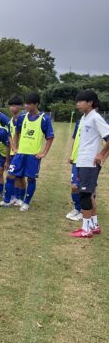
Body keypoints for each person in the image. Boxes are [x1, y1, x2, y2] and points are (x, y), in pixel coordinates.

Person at [0, 92, 54, 211]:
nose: (26, 106)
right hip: (20, 154)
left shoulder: (44, 119)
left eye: (29, 104)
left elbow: (50, 137)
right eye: (25, 103)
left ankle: (26, 203)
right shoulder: (22, 117)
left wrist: (43, 153)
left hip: (33, 156)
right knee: (10, 176)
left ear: (36, 104)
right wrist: (15, 147)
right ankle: (7, 201)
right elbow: (17, 133)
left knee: (30, 179)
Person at [69, 90, 109, 238]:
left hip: (90, 163)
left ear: (90, 102)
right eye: (77, 101)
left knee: (85, 194)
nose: (77, 104)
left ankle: (85, 229)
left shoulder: (95, 118)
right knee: (89, 193)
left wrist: (101, 154)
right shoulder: (84, 117)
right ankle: (94, 225)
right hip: (82, 161)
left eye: (81, 101)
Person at [7, 96, 26, 206]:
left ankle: (21, 198)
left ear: (20, 106)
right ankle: (15, 196)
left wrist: (18, 148)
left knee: (20, 176)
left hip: (22, 152)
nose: (12, 108)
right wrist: (13, 148)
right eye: (11, 105)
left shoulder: (24, 119)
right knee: (13, 176)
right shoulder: (10, 121)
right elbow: (10, 136)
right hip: (13, 153)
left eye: (14, 105)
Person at [66, 116, 83, 221]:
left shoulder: (98, 120)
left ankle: (84, 211)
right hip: (76, 160)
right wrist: (72, 154)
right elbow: (75, 138)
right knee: (74, 186)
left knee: (86, 188)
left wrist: (102, 156)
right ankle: (77, 208)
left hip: (88, 162)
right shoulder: (79, 121)